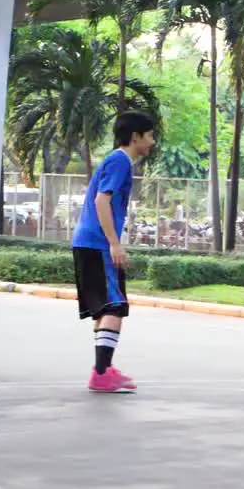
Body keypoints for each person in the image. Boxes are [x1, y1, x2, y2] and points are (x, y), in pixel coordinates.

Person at [72, 111, 157, 393]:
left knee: (104, 308)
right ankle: (100, 374)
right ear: (135, 137)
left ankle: (104, 368)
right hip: (97, 244)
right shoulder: (120, 161)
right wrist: (114, 243)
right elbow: (101, 200)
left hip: (90, 242)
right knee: (114, 306)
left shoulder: (117, 161)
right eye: (150, 135)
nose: (152, 142)